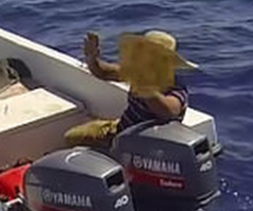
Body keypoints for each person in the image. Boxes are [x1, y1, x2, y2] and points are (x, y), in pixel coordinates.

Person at [64, 30, 197, 150]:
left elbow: (170, 111)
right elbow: (103, 73)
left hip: (147, 144)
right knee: (71, 137)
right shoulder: (138, 72)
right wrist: (92, 60)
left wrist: (146, 89)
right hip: (122, 130)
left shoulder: (175, 84)